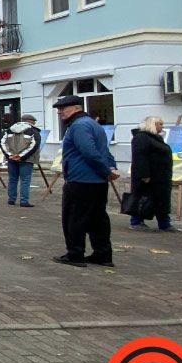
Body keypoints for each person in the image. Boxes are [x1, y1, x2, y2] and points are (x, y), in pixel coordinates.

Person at [52, 95, 119, 267]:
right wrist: (110, 168)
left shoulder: (79, 126)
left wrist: (106, 171)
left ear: (76, 108)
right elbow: (104, 151)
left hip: (81, 179)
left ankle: (75, 254)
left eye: (63, 108)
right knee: (98, 219)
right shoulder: (93, 124)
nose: (59, 112)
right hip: (96, 181)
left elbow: (89, 152)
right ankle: (102, 254)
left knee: (74, 218)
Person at [129, 116, 180, 232]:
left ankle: (164, 223)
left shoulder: (155, 138)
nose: (162, 126)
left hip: (160, 177)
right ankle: (136, 221)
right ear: (151, 125)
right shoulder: (141, 138)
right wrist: (144, 174)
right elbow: (140, 157)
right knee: (143, 198)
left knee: (161, 200)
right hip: (148, 177)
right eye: (159, 124)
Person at [0, 113, 43, 207]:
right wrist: (21, 156)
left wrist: (9, 155)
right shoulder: (33, 131)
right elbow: (34, 146)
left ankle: (11, 199)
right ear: (31, 121)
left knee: (12, 179)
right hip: (27, 159)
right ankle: (24, 201)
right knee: (25, 180)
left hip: (11, 159)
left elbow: (3, 143)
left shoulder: (10, 130)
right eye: (34, 122)